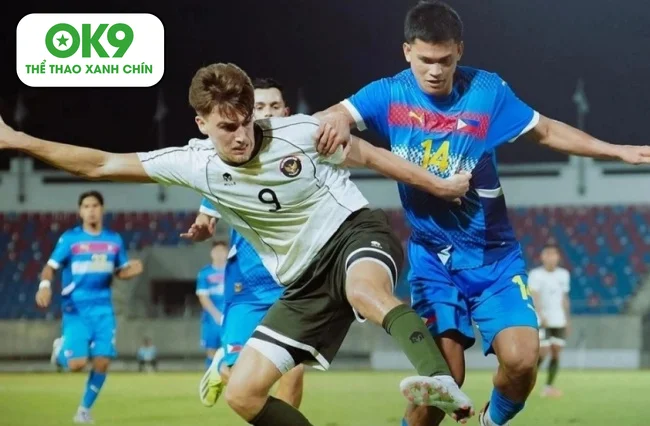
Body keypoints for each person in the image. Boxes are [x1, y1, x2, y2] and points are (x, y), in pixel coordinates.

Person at [0, 62, 476, 426]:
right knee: (242, 393)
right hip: (302, 280)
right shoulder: (194, 164)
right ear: (202, 123)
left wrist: (439, 185)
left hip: (355, 232)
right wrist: (19, 140)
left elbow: (371, 155)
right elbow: (100, 164)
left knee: (364, 290)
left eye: (247, 121)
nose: (243, 135)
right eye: (227, 127)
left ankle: (437, 378)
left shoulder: (300, 132)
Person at [313, 2, 650, 425]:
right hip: (434, 259)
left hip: (494, 256)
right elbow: (330, 117)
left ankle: (492, 421)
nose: (435, 71)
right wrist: (336, 119)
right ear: (407, 52)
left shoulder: (487, 92)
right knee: (444, 381)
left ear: (459, 50)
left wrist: (615, 150)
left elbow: (546, 130)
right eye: (425, 60)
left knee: (522, 360)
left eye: (445, 60)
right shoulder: (389, 94)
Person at [191, 77, 304, 411]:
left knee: (294, 372)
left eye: (274, 106)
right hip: (248, 283)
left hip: (293, 284)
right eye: (260, 107)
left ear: (286, 112)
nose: (268, 112)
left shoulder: (305, 160)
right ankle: (221, 366)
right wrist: (203, 223)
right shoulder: (231, 163)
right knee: (242, 377)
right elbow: (207, 213)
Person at [37, 190, 144, 424]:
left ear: (102, 209)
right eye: (86, 206)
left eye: (95, 205)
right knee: (76, 365)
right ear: (80, 211)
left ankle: (83, 411)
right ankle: (60, 350)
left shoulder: (114, 240)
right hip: (76, 309)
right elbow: (50, 267)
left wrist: (130, 272)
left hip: (103, 309)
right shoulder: (71, 239)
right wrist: (44, 286)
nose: (91, 210)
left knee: (102, 361)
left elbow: (119, 271)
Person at [529, 243, 571, 398]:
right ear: (542, 257)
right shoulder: (535, 275)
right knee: (542, 352)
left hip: (558, 320)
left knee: (556, 353)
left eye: (554, 254)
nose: (551, 257)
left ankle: (548, 387)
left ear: (558, 257)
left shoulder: (563, 274)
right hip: (542, 320)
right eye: (548, 254)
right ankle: (527, 381)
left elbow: (564, 297)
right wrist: (541, 315)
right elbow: (534, 296)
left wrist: (567, 319)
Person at [196, 241, 227, 368]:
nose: (219, 254)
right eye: (216, 251)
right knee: (211, 351)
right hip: (211, 319)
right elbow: (203, 296)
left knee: (232, 349)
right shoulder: (205, 273)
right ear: (211, 253)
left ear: (227, 253)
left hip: (231, 317)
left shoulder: (234, 271)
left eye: (222, 251)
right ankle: (212, 377)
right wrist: (216, 315)